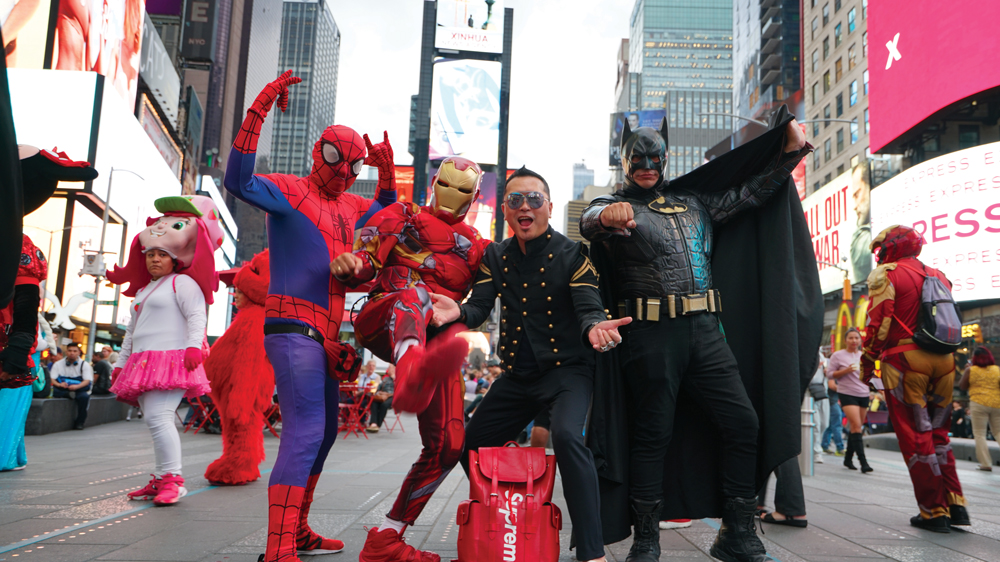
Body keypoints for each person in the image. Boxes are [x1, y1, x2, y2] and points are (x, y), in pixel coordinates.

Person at [581, 108, 815, 562]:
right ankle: (646, 540)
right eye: (638, 160)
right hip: (650, 335)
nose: (646, 168)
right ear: (625, 161)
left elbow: (750, 193)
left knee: (742, 423)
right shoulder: (614, 205)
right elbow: (591, 220)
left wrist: (790, 154)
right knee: (653, 433)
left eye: (654, 160)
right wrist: (608, 214)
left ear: (665, 160)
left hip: (706, 331)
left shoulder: (695, 203)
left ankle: (737, 532)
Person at [224, 71, 396, 562]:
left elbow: (384, 213)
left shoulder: (351, 204)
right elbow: (238, 180)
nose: (344, 170)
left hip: (323, 336)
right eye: (336, 158)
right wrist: (259, 107)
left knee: (321, 434)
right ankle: (279, 547)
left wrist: (384, 174)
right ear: (318, 151)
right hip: (292, 329)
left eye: (354, 163)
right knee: (304, 432)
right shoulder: (289, 191)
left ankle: (295, 531)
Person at [433, 166, 631, 562]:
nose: (525, 207)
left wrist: (594, 328)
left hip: (567, 374)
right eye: (515, 200)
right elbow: (478, 308)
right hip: (517, 377)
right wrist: (457, 310)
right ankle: (503, 513)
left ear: (549, 208)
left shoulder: (574, 254)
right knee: (464, 443)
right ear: (506, 210)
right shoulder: (496, 255)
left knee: (568, 438)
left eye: (534, 199)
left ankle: (592, 551)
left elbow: (589, 307)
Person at [333, 155, 488, 562]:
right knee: (413, 294)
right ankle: (409, 369)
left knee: (448, 444)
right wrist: (352, 265)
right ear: (435, 181)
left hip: (435, 343)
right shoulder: (403, 214)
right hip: (383, 314)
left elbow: (509, 281)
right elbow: (366, 261)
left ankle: (387, 536)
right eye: (447, 185)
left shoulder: (477, 246)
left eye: (463, 190)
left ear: (473, 196)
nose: (452, 196)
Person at [106, 195, 222, 507]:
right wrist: (120, 363)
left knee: (159, 417)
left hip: (174, 360)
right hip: (142, 363)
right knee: (154, 420)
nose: (155, 259)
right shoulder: (144, 290)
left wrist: (194, 347)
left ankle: (173, 480)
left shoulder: (182, 284)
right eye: (150, 254)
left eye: (162, 254)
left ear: (176, 258)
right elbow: (132, 331)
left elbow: (198, 316)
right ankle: (161, 478)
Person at [861, 225, 968, 533]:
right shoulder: (939, 274)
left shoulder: (887, 274)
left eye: (882, 247)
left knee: (916, 436)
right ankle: (955, 503)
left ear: (892, 246)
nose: (879, 254)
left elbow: (878, 325)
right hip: (945, 362)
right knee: (939, 436)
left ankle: (933, 511)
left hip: (906, 361)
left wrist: (867, 367)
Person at [203, 250, 275, 486]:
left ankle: (238, 466)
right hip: (239, 386)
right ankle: (247, 464)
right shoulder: (256, 315)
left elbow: (248, 359)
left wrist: (239, 396)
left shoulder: (254, 317)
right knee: (245, 426)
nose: (236, 297)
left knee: (240, 427)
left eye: (240, 291)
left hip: (241, 386)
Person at [0, 235, 47, 470]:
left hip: (10, 352)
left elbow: (27, 313)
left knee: (10, 412)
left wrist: (17, 354)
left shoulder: (19, 248)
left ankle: (7, 457)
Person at [827, 328, 873, 473]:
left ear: (860, 340)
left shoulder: (863, 355)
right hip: (847, 393)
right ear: (846, 340)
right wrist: (846, 371)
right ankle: (863, 462)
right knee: (856, 425)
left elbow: (870, 375)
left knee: (855, 428)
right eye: (851, 338)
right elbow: (829, 374)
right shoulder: (838, 355)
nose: (854, 341)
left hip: (863, 393)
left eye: (856, 338)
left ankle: (848, 458)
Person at [959, 347, 1000, 472]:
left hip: (978, 403)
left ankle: (986, 463)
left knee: (979, 433)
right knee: (998, 432)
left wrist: (966, 370)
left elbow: (962, 386)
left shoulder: (970, 370)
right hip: (996, 403)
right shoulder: (997, 369)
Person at [50, 342, 93, 430]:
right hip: (63, 388)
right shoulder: (58, 364)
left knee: (84, 397)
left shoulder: (84, 365)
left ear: (79, 352)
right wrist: (59, 384)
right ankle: (67, 394)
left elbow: (87, 380)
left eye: (74, 351)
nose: (72, 353)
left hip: (78, 389)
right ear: (66, 352)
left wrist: (76, 387)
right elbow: (52, 379)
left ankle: (80, 422)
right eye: (70, 351)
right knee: (54, 392)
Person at [809, 350, 830, 464]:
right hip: (810, 392)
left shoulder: (821, 354)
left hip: (822, 391)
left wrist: (828, 372)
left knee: (824, 423)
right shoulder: (805, 351)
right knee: (815, 424)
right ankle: (817, 451)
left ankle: (814, 446)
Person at [367, 365, 395, 432]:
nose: (388, 370)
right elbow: (379, 387)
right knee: (374, 402)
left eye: (390, 368)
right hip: (382, 395)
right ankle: (373, 423)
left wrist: (394, 378)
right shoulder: (385, 379)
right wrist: (374, 390)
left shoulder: (398, 378)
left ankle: (378, 424)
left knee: (384, 405)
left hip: (392, 396)